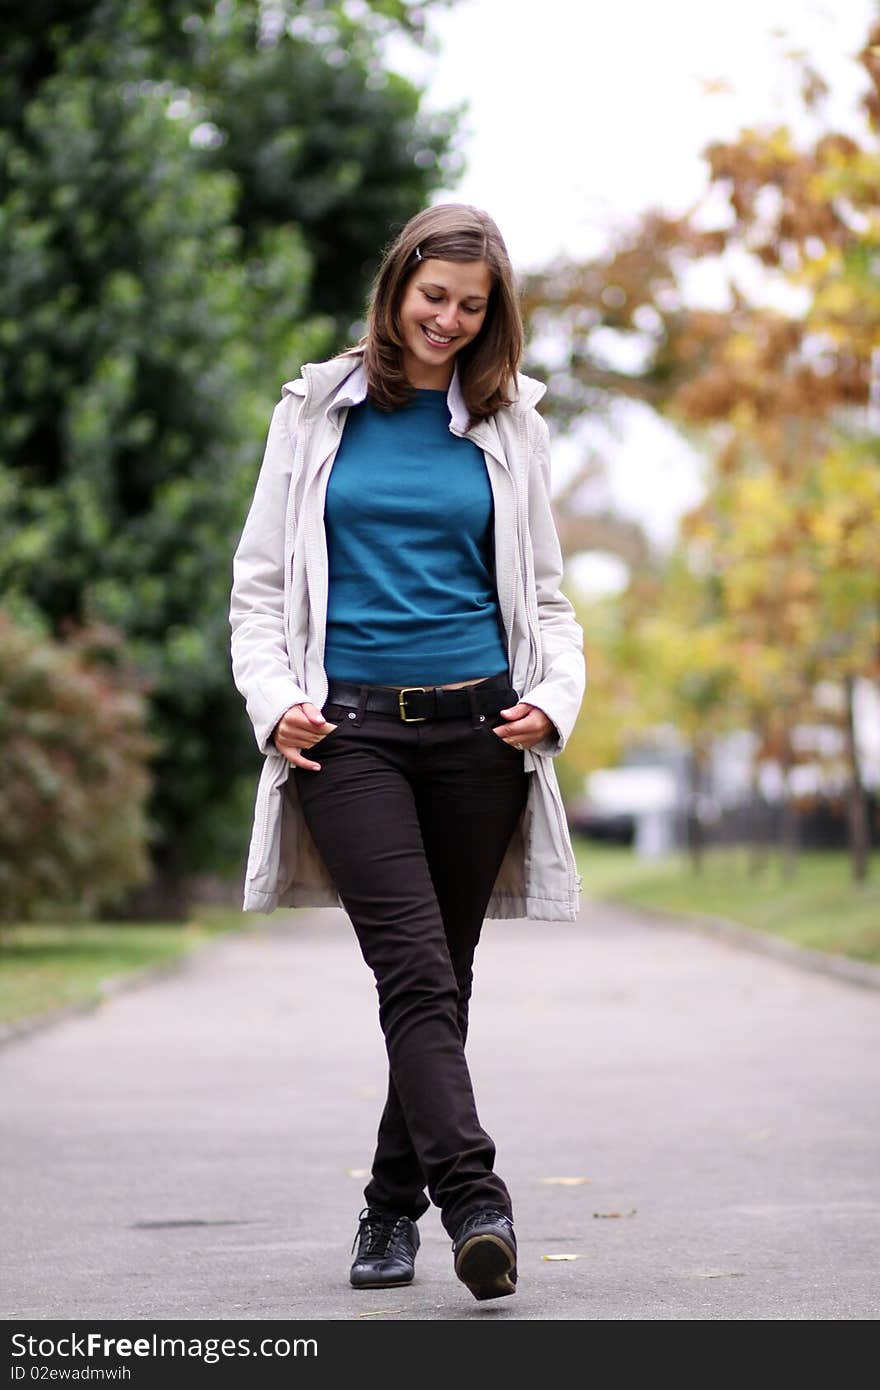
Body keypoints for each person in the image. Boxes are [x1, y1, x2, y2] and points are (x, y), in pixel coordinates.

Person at [229, 203, 585, 1303]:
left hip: (483, 732)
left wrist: (552, 701)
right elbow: (259, 589)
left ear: (493, 317)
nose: (447, 321)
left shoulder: (509, 424)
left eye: (471, 308)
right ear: (395, 289)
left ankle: (388, 1213)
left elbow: (545, 599)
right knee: (416, 972)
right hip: (350, 735)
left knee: (442, 984)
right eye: (433, 297)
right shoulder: (316, 410)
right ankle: (477, 1199)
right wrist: (275, 698)